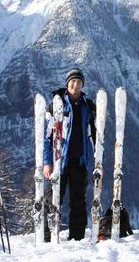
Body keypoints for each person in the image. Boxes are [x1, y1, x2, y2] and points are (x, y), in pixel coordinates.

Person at [43, 68, 96, 241]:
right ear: (67, 84)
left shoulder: (88, 106)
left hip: (79, 161)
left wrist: (94, 160)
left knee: (78, 201)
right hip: (60, 161)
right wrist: (47, 162)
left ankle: (77, 238)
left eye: (79, 82)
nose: (76, 84)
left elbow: (94, 135)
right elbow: (47, 138)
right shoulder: (57, 105)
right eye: (73, 81)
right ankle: (47, 236)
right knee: (53, 200)